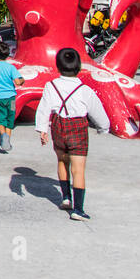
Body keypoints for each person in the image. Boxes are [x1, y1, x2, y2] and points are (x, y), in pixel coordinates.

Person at [34, 47, 111, 221]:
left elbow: (44, 108)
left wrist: (42, 129)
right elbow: (97, 112)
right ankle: (78, 209)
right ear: (78, 67)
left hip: (58, 126)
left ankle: (66, 197)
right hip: (78, 127)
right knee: (78, 170)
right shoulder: (84, 89)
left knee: (62, 161)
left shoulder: (50, 86)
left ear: (58, 66)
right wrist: (103, 128)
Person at [0, 40, 24, 153]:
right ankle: (7, 139)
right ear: (8, 55)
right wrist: (22, 80)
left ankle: (3, 135)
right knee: (10, 118)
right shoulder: (11, 68)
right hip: (11, 98)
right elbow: (18, 82)